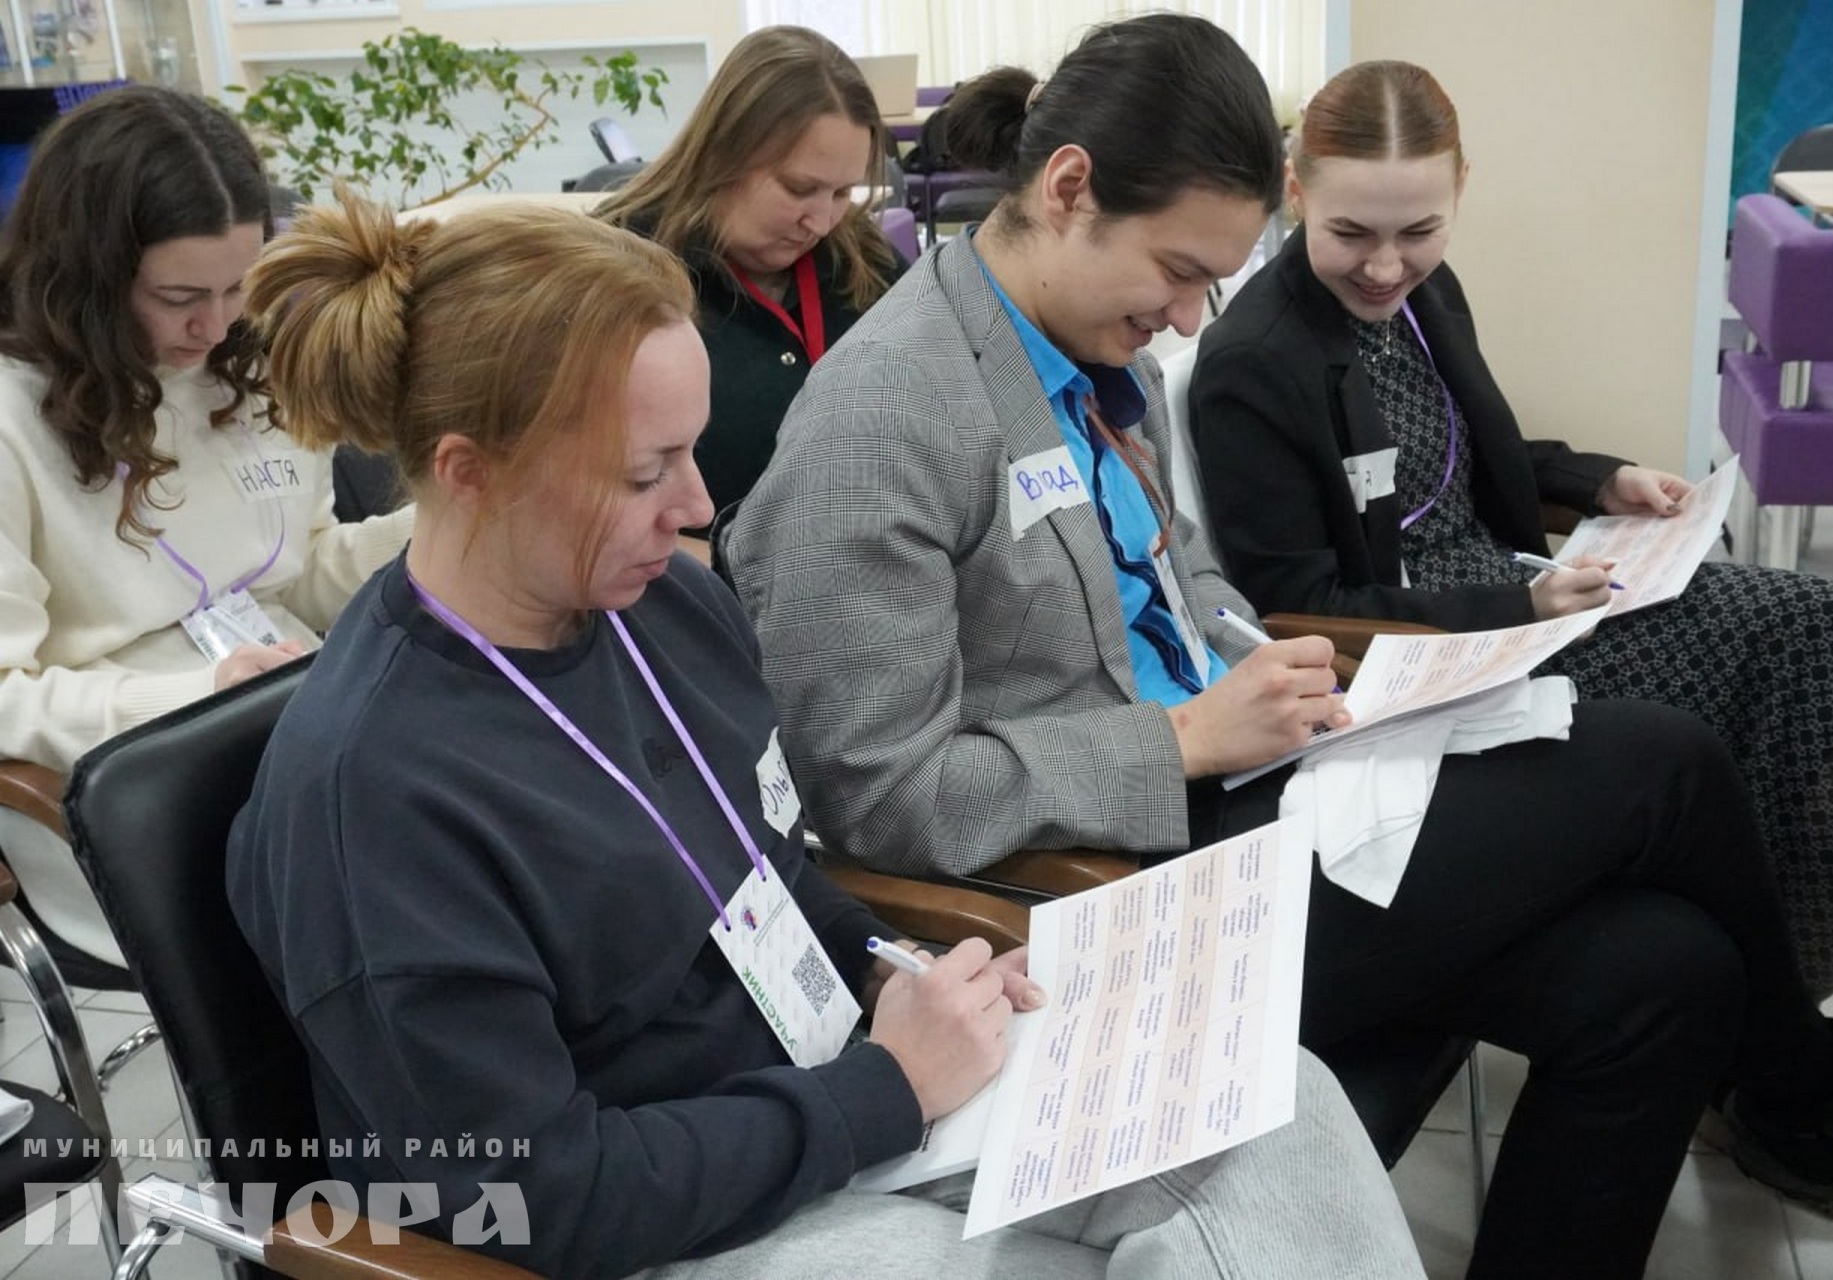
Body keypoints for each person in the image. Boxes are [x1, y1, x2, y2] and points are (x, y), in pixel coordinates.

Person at [727, 14, 1833, 1275]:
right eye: (1178, 271)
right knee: (1661, 763)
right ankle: (1815, 1096)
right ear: (1069, 188)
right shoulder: (885, 417)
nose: (1187, 318)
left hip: (1263, 791)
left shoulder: (1080, 352)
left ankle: (1798, 1092)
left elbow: (1184, 576)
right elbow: (878, 793)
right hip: (1125, 887)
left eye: (1212, 282)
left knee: (1670, 974)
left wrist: (1304, 679)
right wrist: (1182, 737)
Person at [226, 192, 1428, 1280]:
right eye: (646, 472)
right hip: (658, 1217)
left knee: (1275, 1100)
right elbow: (538, 1197)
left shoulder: (660, 607)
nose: (698, 506)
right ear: (469, 471)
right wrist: (883, 1089)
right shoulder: (375, 800)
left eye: (692, 451)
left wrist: (897, 967)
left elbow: (770, 869)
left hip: (829, 1097)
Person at [1187, 59, 1833, 1063]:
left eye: (1419, 231)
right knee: (1813, 656)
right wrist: (1519, 605)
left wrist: (1600, 478)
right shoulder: (1255, 362)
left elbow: (1459, 454)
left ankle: (1817, 1034)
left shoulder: (1427, 299)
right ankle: (1797, 1048)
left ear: (1460, 190)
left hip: (1525, 599)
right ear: (1297, 190)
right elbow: (1298, 601)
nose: (1387, 267)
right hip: (1447, 657)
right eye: (1352, 233)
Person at [0, 86, 411, 967]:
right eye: (179, 295)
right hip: (123, 782)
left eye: (238, 287)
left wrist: (440, 528)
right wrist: (198, 694)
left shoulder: (247, 371)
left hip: (288, 726)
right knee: (422, 880)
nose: (215, 325)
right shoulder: (10, 417)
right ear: (87, 276)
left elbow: (299, 578)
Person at [595, 25, 904, 527]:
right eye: (799, 188)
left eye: (842, 193)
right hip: (690, 568)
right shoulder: (614, 270)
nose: (821, 222)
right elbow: (580, 499)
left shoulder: (865, 258)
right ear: (724, 153)